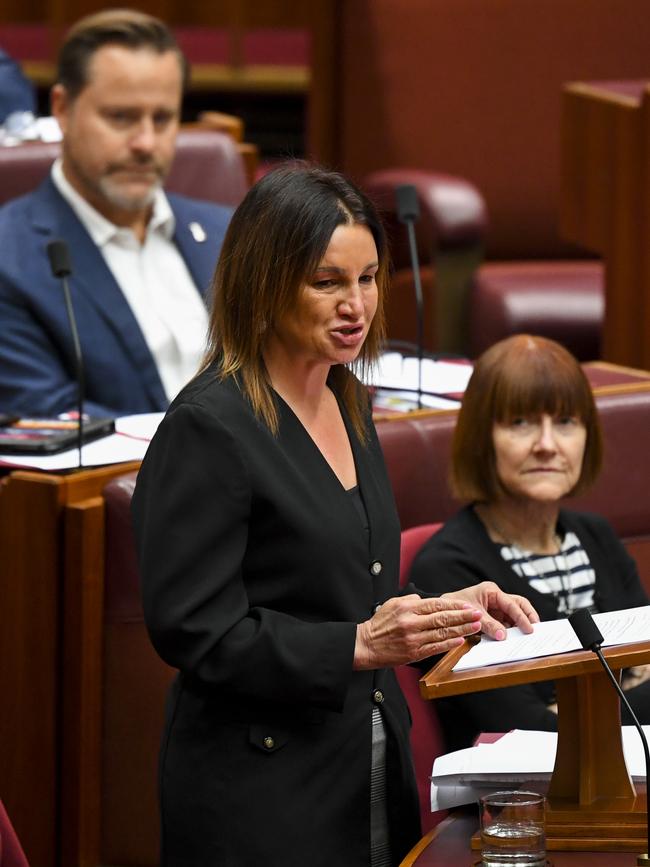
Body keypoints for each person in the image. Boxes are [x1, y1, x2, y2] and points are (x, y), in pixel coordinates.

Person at [131, 163, 539, 867]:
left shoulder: (347, 398)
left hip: (367, 763)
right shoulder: (209, 427)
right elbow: (195, 630)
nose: (357, 304)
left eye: (369, 278)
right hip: (261, 791)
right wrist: (357, 645)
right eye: (327, 281)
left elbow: (344, 586)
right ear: (265, 280)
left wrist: (445, 609)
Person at [410, 334, 650, 750]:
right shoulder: (450, 569)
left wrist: (563, 706)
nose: (546, 444)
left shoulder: (596, 536)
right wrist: (626, 690)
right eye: (520, 422)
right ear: (481, 438)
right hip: (518, 805)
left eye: (565, 422)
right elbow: (526, 735)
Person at [0, 9, 232, 418]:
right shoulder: (10, 257)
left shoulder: (229, 232)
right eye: (120, 117)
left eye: (162, 119)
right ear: (63, 109)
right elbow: (44, 417)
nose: (145, 142)